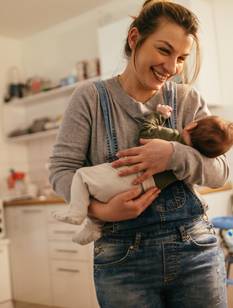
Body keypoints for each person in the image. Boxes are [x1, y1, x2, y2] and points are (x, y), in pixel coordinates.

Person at [49, 1, 228, 307]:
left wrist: (173, 154)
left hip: (195, 248)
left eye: (182, 58)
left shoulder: (187, 99)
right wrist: (100, 211)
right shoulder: (90, 98)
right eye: (164, 50)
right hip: (121, 259)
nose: (172, 68)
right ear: (134, 39)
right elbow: (62, 170)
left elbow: (220, 172)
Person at [52, 105, 233, 245]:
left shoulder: (172, 137)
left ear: (192, 125)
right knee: (96, 190)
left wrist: (160, 115)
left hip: (127, 177)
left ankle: (77, 212)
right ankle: (94, 225)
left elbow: (146, 131)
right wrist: (103, 212)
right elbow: (212, 169)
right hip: (147, 190)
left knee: (82, 176)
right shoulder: (197, 157)